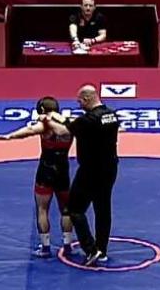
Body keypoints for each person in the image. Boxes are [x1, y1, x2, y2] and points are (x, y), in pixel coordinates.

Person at [47, 85, 120, 267]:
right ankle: (102, 250)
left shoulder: (87, 120)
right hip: (110, 168)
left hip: (90, 170)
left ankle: (90, 249)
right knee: (103, 208)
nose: (79, 105)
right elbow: (73, 123)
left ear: (87, 99)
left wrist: (47, 119)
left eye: (80, 101)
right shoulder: (112, 115)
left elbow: (62, 131)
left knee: (74, 209)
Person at [0, 96, 77, 257]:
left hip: (45, 171)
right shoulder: (71, 124)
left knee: (42, 209)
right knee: (66, 210)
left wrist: (9, 136)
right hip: (63, 170)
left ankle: (45, 248)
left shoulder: (45, 125)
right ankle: (67, 245)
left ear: (42, 110)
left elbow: (29, 131)